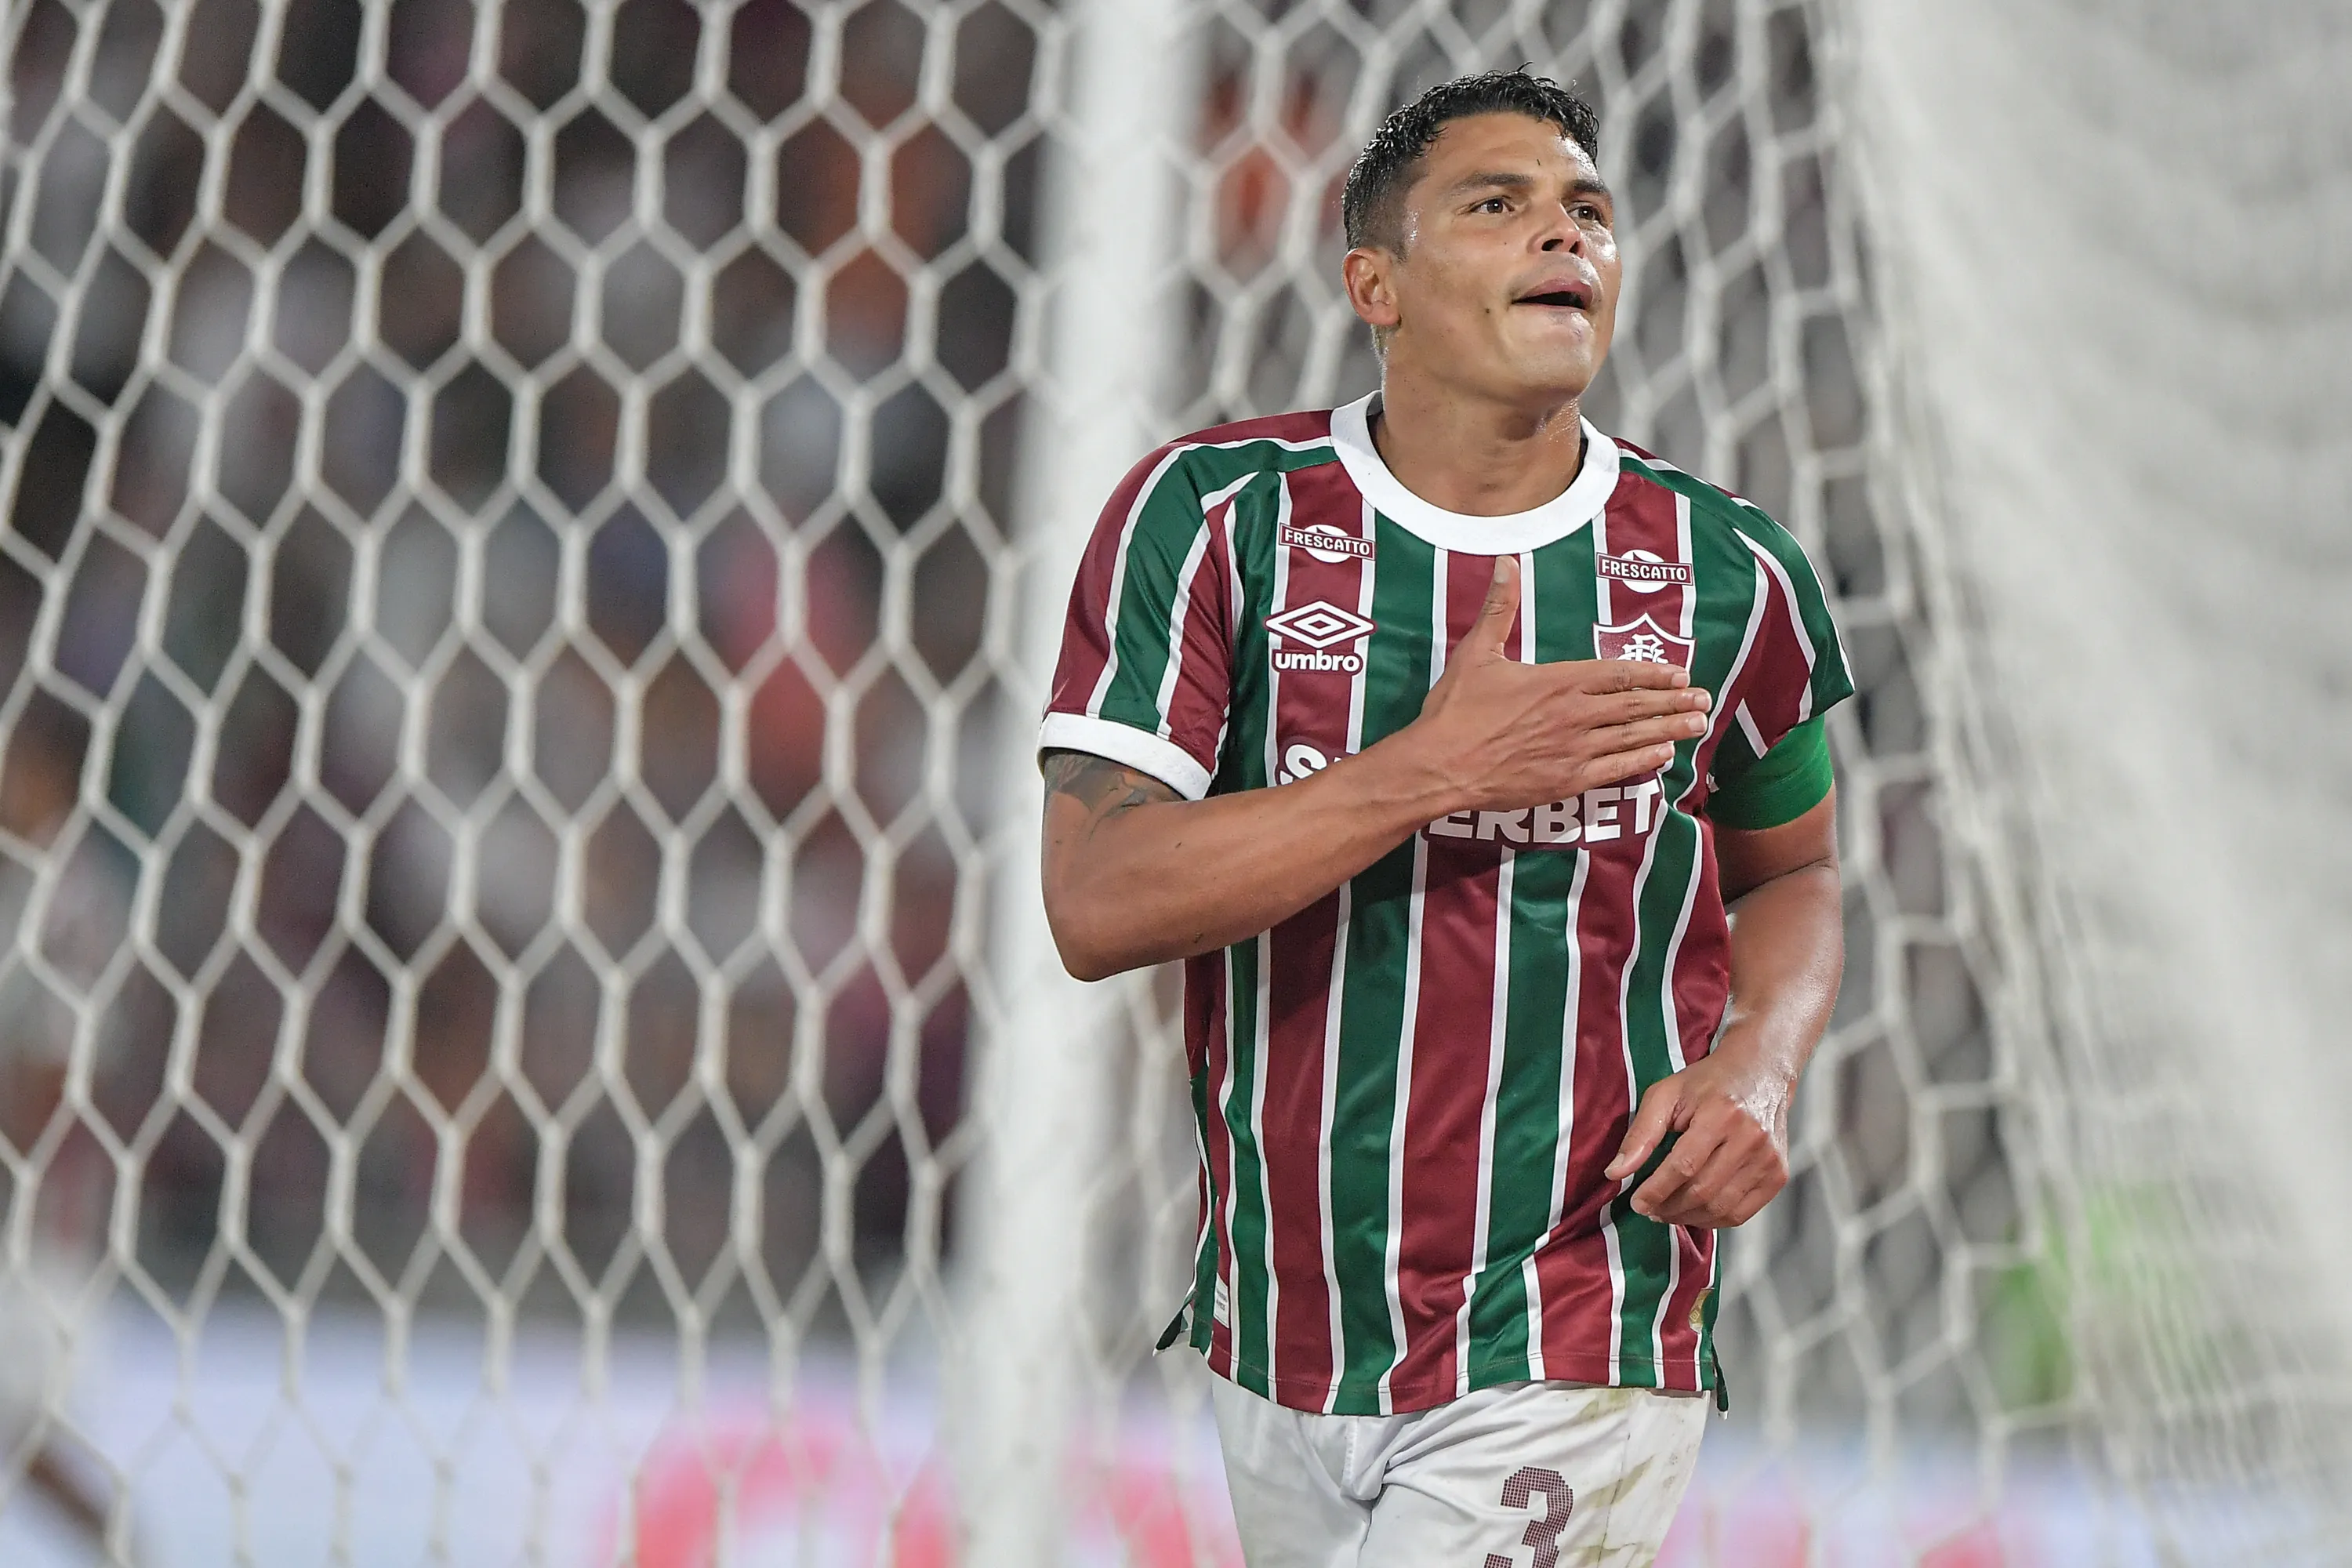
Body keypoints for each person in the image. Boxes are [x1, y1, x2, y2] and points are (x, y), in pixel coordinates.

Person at [1036, 70, 1851, 1566]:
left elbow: (1792, 871)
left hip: (1577, 1312)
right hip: (1283, 1322)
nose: (1566, 236)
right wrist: (1437, 767)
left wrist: (1761, 1067)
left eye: (1588, 211)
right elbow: (1098, 904)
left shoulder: (1729, 571)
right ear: (1377, 285)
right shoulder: (1217, 518)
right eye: (1500, 204)